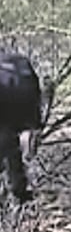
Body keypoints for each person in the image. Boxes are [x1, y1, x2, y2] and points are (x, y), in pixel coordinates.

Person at [0, 52, 43, 203]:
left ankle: (18, 193)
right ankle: (19, 192)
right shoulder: (18, 63)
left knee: (9, 144)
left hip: (15, 103)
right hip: (23, 103)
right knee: (11, 147)